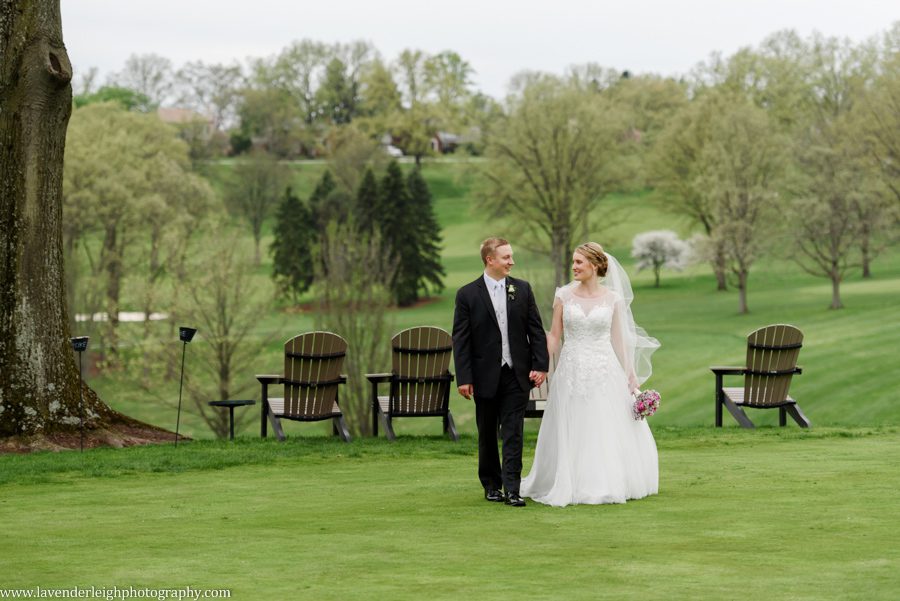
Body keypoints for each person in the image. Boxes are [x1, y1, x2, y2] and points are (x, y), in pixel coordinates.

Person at [520, 242, 660, 507]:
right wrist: (538, 363)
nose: (574, 267)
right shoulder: (563, 295)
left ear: (594, 266)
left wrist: (630, 373)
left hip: (604, 369)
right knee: (572, 424)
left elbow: (619, 340)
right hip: (571, 370)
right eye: (573, 262)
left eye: (579, 262)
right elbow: (554, 337)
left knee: (602, 425)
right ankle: (567, 481)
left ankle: (604, 483)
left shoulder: (612, 299)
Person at [452, 238, 549, 507]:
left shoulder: (523, 289)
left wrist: (540, 365)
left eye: (511, 256)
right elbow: (461, 340)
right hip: (483, 375)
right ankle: (492, 485)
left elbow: (536, 330)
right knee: (486, 432)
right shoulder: (467, 295)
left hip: (516, 374)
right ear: (489, 260)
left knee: (514, 431)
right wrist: (465, 378)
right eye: (506, 257)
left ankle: (513, 489)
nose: (511, 261)